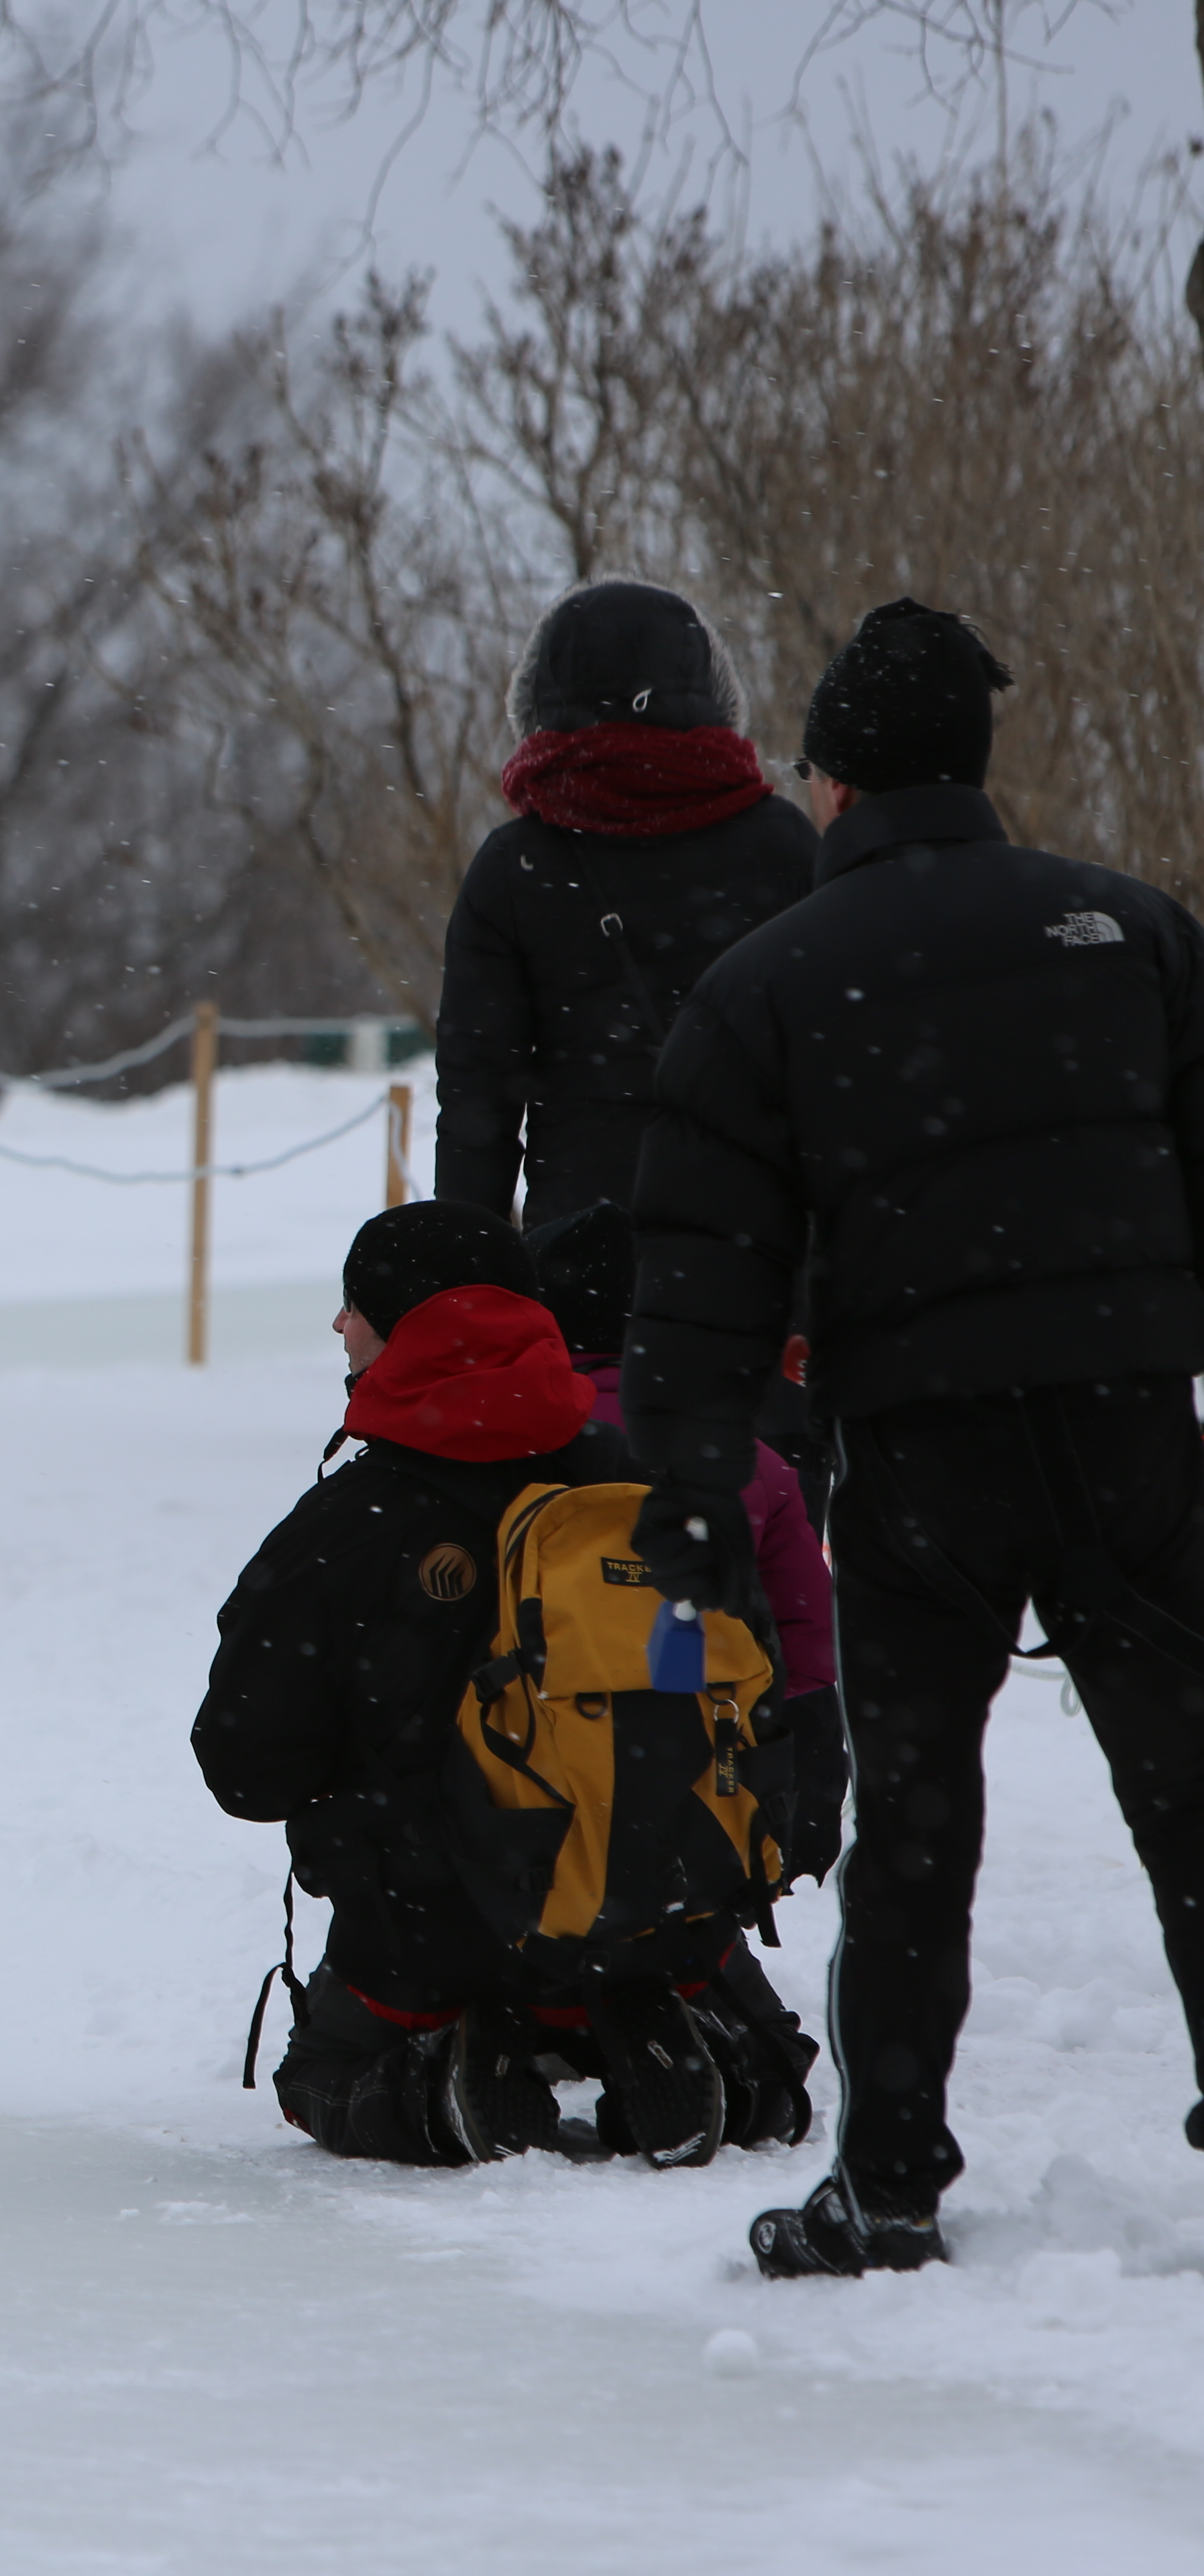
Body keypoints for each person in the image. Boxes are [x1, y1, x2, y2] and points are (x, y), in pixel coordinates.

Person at [627, 598, 1204, 2279]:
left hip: (921, 1458)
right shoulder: (1131, 930)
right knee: (1189, 1793)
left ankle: (884, 2185)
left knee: (915, 1825)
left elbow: (702, 1270)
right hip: (1129, 1433)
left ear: (830, 782)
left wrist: (690, 1482)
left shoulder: (764, 984)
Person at [195, 1201, 815, 2169]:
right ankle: (725, 2062)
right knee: (750, 2044)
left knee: (323, 2075)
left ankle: (442, 2084)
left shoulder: (347, 1525)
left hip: (430, 1939)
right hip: (657, 1906)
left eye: (355, 1306)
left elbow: (247, 1770)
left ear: (406, 1328)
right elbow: (757, 1692)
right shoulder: (650, 1493)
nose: (339, 1325)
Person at [431, 582, 818, 1224]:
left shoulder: (515, 867)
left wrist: (472, 1258)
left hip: (584, 1240)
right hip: (757, 1237)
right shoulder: (785, 844)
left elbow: (477, 1103)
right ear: (711, 690)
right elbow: (832, 1064)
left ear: (540, 699)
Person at [521, 1200, 846, 1883]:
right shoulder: (752, 1464)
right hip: (708, 1788)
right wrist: (805, 1798)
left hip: (539, 1782)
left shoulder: (511, 1446)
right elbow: (808, 1651)